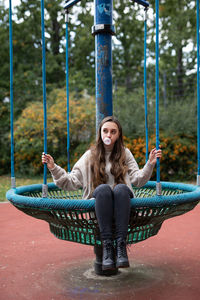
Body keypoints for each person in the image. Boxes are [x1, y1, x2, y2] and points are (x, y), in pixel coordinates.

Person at [42, 116, 162, 271]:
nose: (109, 135)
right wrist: (53, 167)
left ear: (118, 135)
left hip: (124, 209)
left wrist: (150, 164)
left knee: (120, 188)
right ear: (100, 133)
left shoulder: (125, 154)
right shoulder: (89, 156)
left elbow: (138, 180)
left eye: (113, 132)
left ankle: (120, 245)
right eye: (105, 131)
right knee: (103, 189)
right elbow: (70, 182)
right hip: (98, 211)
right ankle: (107, 246)